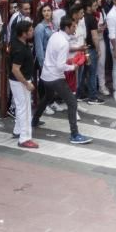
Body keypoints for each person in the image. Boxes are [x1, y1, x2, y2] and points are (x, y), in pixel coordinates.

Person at [36, 16, 91, 145]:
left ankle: (35, 120)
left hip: (46, 74)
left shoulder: (55, 35)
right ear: (66, 28)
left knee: (47, 97)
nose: (75, 28)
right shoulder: (63, 42)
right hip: (55, 76)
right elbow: (61, 65)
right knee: (72, 102)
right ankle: (74, 134)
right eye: (73, 26)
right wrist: (74, 66)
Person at [8, 20, 37, 149]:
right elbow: (15, 69)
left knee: (21, 106)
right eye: (30, 30)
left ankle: (18, 130)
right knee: (24, 109)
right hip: (20, 81)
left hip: (16, 81)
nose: (32, 32)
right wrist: (26, 83)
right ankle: (24, 138)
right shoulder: (20, 49)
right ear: (23, 34)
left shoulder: (16, 42)